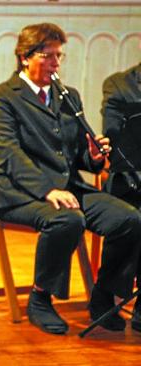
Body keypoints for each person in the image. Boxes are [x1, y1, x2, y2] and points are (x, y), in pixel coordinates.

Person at [0, 22, 141, 335]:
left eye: (59, 56)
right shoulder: (1, 98)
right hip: (21, 194)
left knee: (130, 218)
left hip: (67, 189)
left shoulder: (68, 96)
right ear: (25, 57)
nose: (55, 63)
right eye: (48, 55)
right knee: (67, 220)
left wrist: (93, 157)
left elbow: (77, 153)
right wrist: (47, 190)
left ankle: (103, 294)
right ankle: (40, 298)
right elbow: (8, 153)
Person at [101, 62, 141, 331]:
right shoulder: (119, 85)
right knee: (134, 215)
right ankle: (104, 295)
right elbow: (113, 137)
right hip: (128, 177)